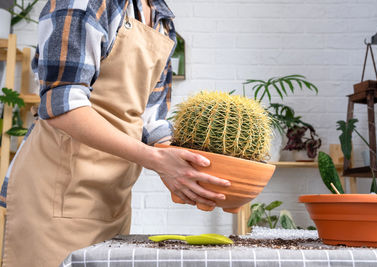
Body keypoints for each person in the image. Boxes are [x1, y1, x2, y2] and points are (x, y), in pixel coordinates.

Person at [1, 0, 230, 266]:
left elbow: (151, 117)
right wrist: (156, 161)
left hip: (112, 198)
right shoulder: (85, 3)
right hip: (55, 195)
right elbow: (63, 105)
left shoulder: (162, 19)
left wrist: (183, 168)